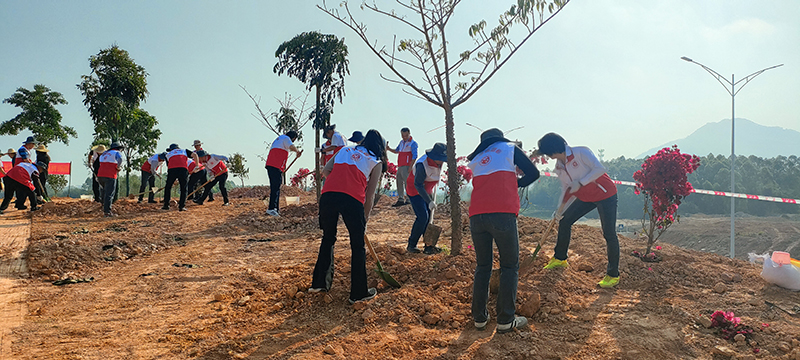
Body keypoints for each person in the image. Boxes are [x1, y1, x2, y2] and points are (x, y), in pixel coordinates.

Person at [467, 128, 539, 333]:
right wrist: (516, 183)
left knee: (483, 266)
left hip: (476, 215)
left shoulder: (478, 158)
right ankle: (506, 319)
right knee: (509, 266)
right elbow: (534, 173)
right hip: (502, 213)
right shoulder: (509, 148)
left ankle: (479, 318)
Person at [309, 129, 386, 304]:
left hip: (328, 195)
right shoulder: (376, 161)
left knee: (328, 238)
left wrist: (340, 180)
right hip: (352, 199)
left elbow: (326, 171)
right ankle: (358, 293)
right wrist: (364, 220)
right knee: (357, 246)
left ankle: (320, 283)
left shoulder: (345, 150)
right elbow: (370, 195)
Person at [537, 132, 620, 289]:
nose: (548, 156)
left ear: (553, 149)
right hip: (585, 197)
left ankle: (613, 275)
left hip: (605, 194)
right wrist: (560, 209)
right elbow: (566, 189)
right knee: (565, 221)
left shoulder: (581, 152)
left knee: (609, 233)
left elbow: (600, 169)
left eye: (548, 153)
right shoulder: (559, 167)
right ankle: (560, 258)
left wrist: (581, 182)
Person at [404, 142, 447, 254]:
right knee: (423, 217)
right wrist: (429, 201)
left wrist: (430, 197)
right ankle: (411, 245)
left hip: (428, 190)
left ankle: (429, 246)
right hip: (415, 191)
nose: (442, 161)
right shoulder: (421, 165)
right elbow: (418, 184)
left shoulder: (439, 163)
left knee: (429, 218)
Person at [264, 131, 302, 216]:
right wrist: (297, 151)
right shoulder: (286, 138)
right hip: (275, 166)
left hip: (273, 165)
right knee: (275, 187)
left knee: (276, 186)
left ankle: (275, 209)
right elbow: (291, 146)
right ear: (293, 138)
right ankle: (271, 208)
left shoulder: (280, 139)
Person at [387, 127, 418, 207]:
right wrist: (389, 149)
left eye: (406, 135)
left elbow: (415, 156)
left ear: (409, 134)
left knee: (407, 183)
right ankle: (400, 198)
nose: (404, 137)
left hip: (407, 166)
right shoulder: (401, 142)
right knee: (399, 182)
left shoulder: (413, 143)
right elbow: (396, 151)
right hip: (400, 165)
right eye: (403, 135)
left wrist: (411, 166)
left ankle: (408, 199)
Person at [162, 143, 192, 211]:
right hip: (183, 169)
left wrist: (173, 180)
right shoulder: (184, 151)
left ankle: (166, 205)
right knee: (183, 188)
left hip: (172, 169)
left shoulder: (168, 154)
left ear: (171, 149)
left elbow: (168, 165)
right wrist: (196, 165)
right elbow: (195, 155)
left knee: (168, 187)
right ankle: (181, 206)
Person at [97, 142, 124, 217]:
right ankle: (107, 212)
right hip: (110, 175)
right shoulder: (117, 152)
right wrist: (118, 167)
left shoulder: (104, 153)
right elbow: (120, 159)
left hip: (100, 175)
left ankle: (103, 205)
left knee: (103, 192)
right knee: (109, 194)